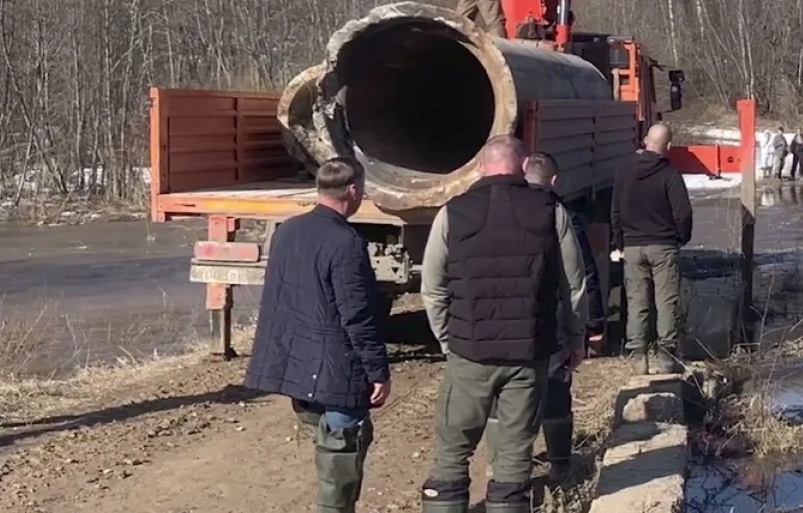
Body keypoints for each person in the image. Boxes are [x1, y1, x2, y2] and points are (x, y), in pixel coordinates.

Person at [419, 136, 588, 513]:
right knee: (514, 458)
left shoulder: (452, 212)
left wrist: (448, 339)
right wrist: (576, 337)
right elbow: (573, 284)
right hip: (528, 354)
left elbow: (432, 288)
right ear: (524, 166)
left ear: (481, 166)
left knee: (452, 455)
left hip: (469, 352)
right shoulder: (551, 212)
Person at [244, 157, 391, 513]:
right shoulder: (345, 242)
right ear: (353, 191)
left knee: (327, 451)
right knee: (341, 459)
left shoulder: (286, 231)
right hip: (336, 372)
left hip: (298, 365)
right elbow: (357, 315)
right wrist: (378, 370)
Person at [483, 151, 602, 483]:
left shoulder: (499, 211)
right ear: (554, 181)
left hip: (502, 319)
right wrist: (590, 325)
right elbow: (581, 276)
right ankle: (560, 464)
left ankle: (499, 464)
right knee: (554, 388)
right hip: (553, 320)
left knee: (503, 391)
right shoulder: (561, 215)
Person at [610, 123, 693, 375]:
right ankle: (666, 358)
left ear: (646, 140)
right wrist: (681, 238)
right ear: (668, 146)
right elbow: (683, 213)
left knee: (637, 302)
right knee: (666, 302)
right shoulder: (670, 173)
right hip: (663, 244)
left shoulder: (624, 170)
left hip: (633, 245)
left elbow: (615, 210)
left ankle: (639, 358)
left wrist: (619, 242)